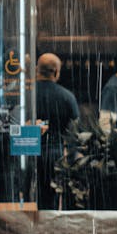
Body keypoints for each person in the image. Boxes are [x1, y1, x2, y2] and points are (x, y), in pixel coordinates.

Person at [35, 52, 79, 210]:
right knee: (51, 202)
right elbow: (74, 135)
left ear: (36, 70)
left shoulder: (27, 95)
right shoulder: (67, 97)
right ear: (56, 72)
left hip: (28, 152)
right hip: (55, 155)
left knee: (30, 199)